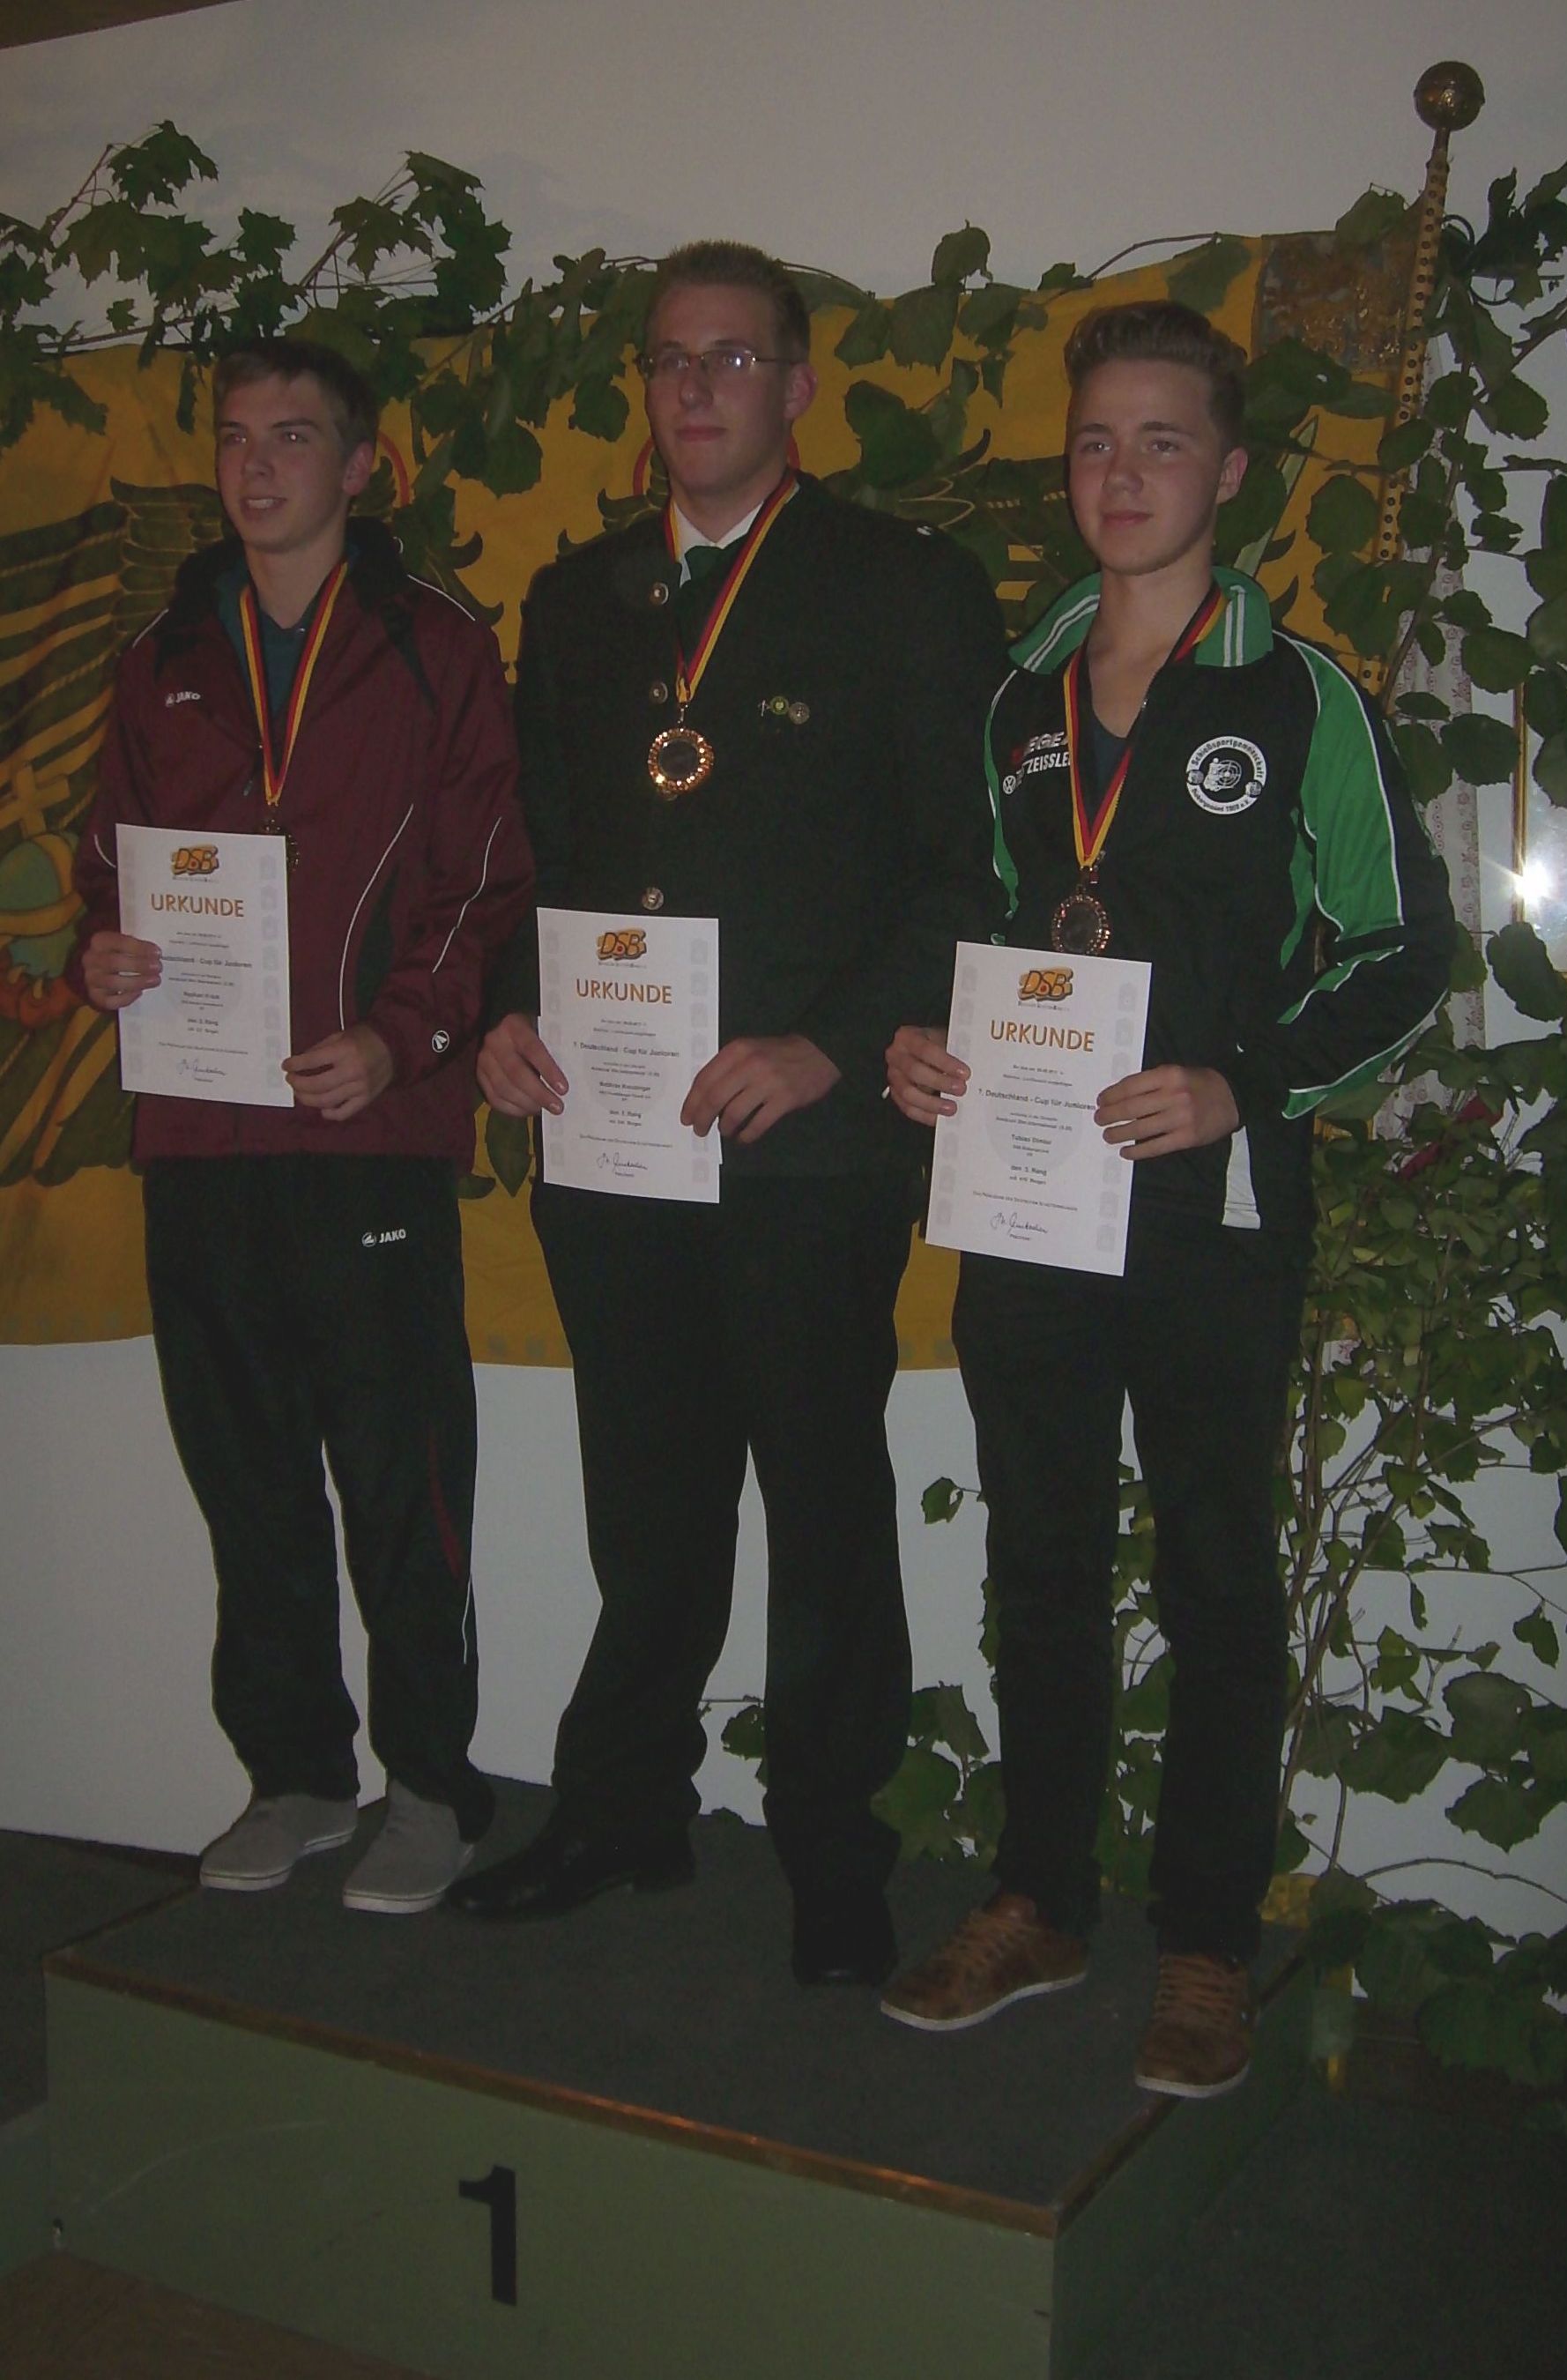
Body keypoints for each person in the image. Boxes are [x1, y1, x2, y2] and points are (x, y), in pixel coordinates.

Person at [881, 301, 1454, 2091]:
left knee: (1215, 1569)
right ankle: (1040, 1900)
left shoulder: (1298, 697)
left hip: (1213, 1208)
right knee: (1041, 1557)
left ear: (1229, 471)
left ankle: (1206, 1943)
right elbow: (972, 920)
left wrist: (1241, 1083)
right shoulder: (1017, 701)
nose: (1121, 473)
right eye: (1095, 442)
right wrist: (925, 1039)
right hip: (1031, 1195)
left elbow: (1401, 952)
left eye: (1161, 441)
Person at [449, 240, 1005, 1983]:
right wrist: (507, 1008)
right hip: (613, 1132)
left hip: (806, 1141)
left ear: (799, 388)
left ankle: (833, 1848)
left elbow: (963, 868)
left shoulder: (903, 588)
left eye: (734, 358)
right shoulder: (578, 600)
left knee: (822, 1498)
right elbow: (534, 851)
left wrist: (831, 1046)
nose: (695, 388)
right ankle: (624, 1805)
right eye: (670, 360)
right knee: (645, 1495)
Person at [71, 337, 533, 1914]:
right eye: (235, 438)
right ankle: (294, 1775)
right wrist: (106, 952)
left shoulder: (433, 646)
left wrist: (398, 1040)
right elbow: (108, 862)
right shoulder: (164, 656)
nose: (257, 465)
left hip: (365, 1133)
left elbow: (484, 881)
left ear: (360, 464)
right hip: (199, 1133)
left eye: (292, 436)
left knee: (402, 1479)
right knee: (246, 1475)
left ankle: (432, 1786)